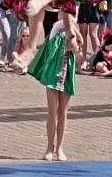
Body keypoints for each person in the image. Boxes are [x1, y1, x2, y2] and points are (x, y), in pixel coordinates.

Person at [27, 18, 78, 161]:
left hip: (67, 74)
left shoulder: (75, 31)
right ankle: (49, 147)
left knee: (63, 112)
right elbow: (62, 24)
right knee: (52, 111)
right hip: (53, 76)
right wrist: (70, 27)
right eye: (70, 14)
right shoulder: (57, 27)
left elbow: (76, 50)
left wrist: (74, 35)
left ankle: (60, 148)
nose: (72, 18)